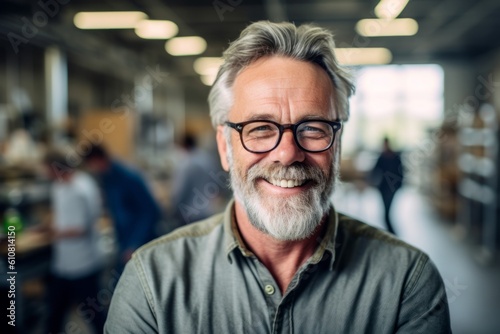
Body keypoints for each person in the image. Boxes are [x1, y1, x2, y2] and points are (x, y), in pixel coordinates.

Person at [105, 21, 451, 333]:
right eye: (259, 128)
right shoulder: (151, 284)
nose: (287, 153)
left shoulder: (407, 282)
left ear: (338, 144)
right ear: (225, 148)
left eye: (313, 128)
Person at [43, 148, 105, 334]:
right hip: (63, 263)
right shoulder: (58, 186)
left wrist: (53, 233)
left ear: (55, 168)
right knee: (55, 312)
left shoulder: (82, 188)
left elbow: (80, 229)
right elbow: (61, 215)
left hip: (83, 262)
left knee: (92, 313)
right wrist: (48, 225)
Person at [84, 144, 162, 273]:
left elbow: (151, 211)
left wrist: (134, 244)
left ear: (97, 160)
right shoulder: (106, 178)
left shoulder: (128, 177)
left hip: (139, 241)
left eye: (91, 165)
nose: (92, 169)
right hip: (123, 239)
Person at [169, 133, 227, 229]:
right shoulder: (207, 159)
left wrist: (173, 212)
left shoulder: (186, 164)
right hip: (208, 212)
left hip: (189, 215)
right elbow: (218, 185)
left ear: (184, 146)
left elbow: (180, 192)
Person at [370, 137, 405, 234]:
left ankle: (393, 235)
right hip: (383, 188)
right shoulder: (382, 157)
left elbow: (401, 174)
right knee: (385, 214)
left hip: (391, 189)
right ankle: (391, 234)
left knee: (386, 214)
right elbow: (374, 171)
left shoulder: (395, 157)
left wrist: (397, 186)